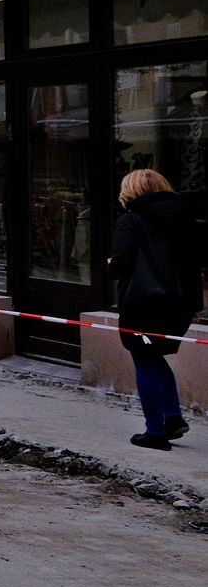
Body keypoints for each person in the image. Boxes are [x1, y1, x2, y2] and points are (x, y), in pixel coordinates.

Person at [107, 168, 201, 450]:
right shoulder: (183, 218)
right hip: (178, 303)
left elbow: (121, 265)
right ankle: (172, 418)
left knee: (145, 360)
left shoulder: (131, 220)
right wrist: (195, 305)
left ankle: (155, 432)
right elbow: (192, 264)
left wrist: (111, 263)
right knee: (155, 355)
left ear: (130, 190)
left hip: (143, 302)